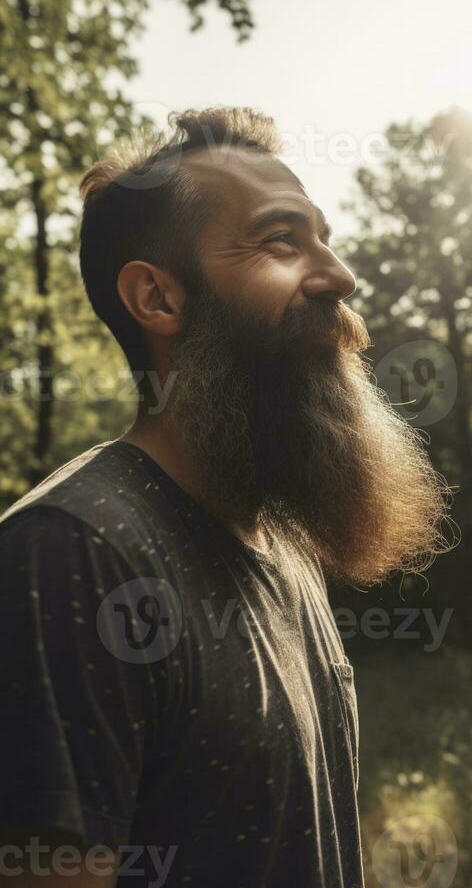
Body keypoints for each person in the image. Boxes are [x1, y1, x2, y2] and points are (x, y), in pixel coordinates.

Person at [0, 107, 449, 888]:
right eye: (282, 241)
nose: (338, 276)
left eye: (323, 237)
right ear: (158, 299)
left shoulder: (281, 538)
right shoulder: (71, 551)